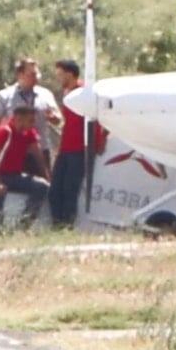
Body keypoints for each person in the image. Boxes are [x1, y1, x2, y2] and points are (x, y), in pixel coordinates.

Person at [48, 59, 106, 229]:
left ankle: (66, 225)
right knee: (55, 190)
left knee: (70, 190)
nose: (58, 78)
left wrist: (98, 142)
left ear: (70, 74)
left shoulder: (84, 93)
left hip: (79, 150)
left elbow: (97, 119)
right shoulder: (68, 93)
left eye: (60, 74)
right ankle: (56, 224)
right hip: (65, 149)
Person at [0, 104, 50, 229]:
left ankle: (24, 224)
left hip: (14, 175)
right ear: (19, 118)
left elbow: (38, 155)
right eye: (30, 120)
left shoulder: (29, 133)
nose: (33, 124)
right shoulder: (5, 131)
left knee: (42, 187)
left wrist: (46, 177)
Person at [0, 58, 61, 175]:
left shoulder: (46, 95)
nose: (36, 77)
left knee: (43, 187)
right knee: (15, 188)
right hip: (14, 152)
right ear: (20, 74)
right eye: (32, 74)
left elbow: (58, 120)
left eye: (38, 74)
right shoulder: (5, 96)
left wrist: (53, 118)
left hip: (40, 151)